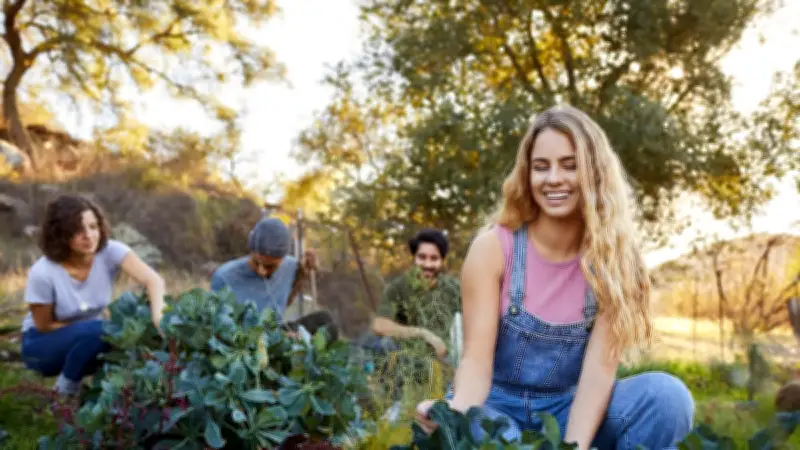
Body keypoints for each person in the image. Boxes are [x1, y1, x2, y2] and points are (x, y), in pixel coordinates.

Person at [415, 105, 694, 449]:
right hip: (494, 403)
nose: (553, 179)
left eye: (570, 165)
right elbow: (475, 360)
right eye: (541, 167)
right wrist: (452, 413)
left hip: (569, 406)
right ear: (526, 175)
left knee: (667, 398)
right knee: (501, 438)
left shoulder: (616, 262)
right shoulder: (494, 249)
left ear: (595, 172)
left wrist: (573, 446)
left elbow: (598, 376)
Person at [20, 194, 166, 397]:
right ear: (60, 234)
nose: (88, 236)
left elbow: (154, 280)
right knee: (103, 331)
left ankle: (114, 398)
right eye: (77, 230)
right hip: (42, 346)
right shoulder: (43, 272)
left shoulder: (110, 251)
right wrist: (89, 329)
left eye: (93, 227)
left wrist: (158, 318)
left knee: (122, 335)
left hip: (89, 337)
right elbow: (44, 325)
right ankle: (64, 392)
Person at [210, 217, 339, 341]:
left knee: (325, 321)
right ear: (251, 251)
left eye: (269, 266)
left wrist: (303, 274)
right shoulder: (225, 277)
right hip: (245, 342)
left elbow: (282, 301)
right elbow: (219, 329)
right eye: (256, 262)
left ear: (283, 259)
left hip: (276, 333)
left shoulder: (290, 266)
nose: (262, 271)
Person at [368, 228, 461, 360]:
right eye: (422, 257)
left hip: (446, 363)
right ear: (414, 258)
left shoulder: (453, 288)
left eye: (434, 258)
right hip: (408, 360)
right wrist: (421, 334)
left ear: (442, 260)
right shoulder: (398, 287)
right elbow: (379, 325)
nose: (427, 264)